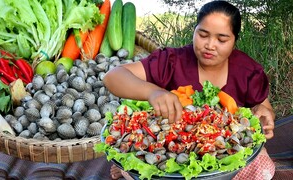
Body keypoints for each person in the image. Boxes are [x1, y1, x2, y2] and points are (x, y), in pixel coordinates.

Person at [103, 1, 275, 179]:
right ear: (194, 30)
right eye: (203, 34)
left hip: (224, 157)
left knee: (262, 168)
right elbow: (112, 77)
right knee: (138, 164)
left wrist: (264, 115)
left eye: (222, 39)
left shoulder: (247, 71)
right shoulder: (171, 61)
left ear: (234, 40)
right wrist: (152, 92)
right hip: (172, 152)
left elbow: (264, 109)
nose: (210, 45)